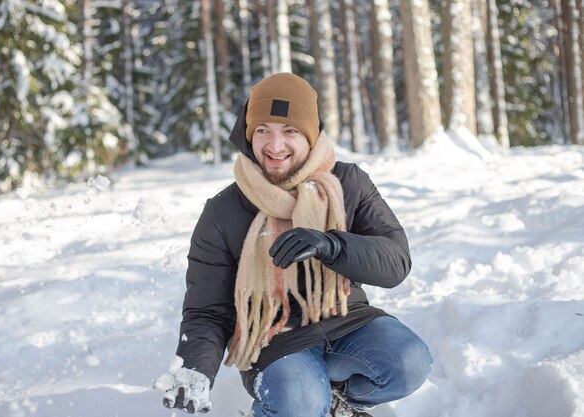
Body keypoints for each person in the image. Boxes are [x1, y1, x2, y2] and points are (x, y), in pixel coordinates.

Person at [160, 73, 432, 417]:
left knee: (410, 362)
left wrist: (333, 246)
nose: (275, 147)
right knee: (298, 402)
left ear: (311, 135)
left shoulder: (347, 183)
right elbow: (206, 310)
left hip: (346, 319)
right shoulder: (223, 211)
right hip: (272, 340)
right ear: (248, 135)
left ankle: (339, 405)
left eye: (290, 132)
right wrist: (195, 367)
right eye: (263, 131)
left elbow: (396, 263)